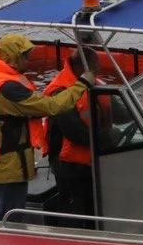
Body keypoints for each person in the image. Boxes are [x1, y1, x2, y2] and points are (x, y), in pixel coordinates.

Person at [0, 33, 96, 221]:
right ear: (13, 57)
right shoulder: (8, 88)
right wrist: (82, 84)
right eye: (25, 56)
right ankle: (8, 239)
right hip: (9, 163)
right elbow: (50, 106)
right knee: (10, 216)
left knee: (0, 208)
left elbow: (24, 109)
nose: (28, 61)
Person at [41, 49, 103, 226]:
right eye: (95, 66)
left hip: (88, 161)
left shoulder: (92, 84)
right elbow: (75, 132)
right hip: (68, 165)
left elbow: (116, 112)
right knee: (74, 211)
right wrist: (108, 140)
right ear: (82, 66)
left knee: (92, 207)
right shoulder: (60, 90)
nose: (98, 69)